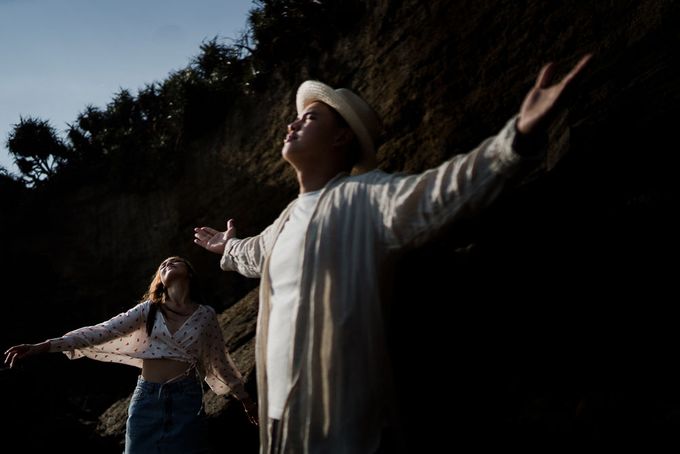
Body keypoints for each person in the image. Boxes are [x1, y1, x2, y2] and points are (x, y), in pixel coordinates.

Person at [193, 55, 592, 453]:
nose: (292, 123)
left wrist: (517, 137)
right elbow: (253, 253)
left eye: (311, 118)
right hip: (282, 422)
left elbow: (442, 191)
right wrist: (226, 247)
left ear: (341, 137)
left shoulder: (367, 196)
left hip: (348, 423)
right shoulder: (283, 223)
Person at [4, 256, 258, 454]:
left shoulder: (205, 315)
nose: (168, 263)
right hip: (147, 398)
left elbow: (218, 359)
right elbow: (102, 331)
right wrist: (44, 345)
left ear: (189, 272)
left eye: (175, 261)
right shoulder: (148, 310)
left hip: (186, 399)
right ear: (159, 279)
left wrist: (244, 398)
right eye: (163, 265)